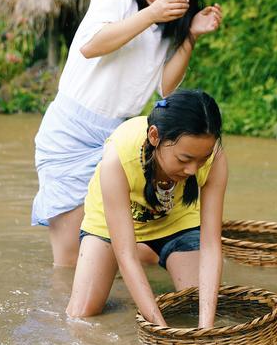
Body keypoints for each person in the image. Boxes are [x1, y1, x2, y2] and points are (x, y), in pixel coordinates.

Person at [31, 0, 223, 267]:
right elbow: (92, 45)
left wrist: (190, 35)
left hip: (118, 138)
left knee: (110, 241)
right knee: (69, 256)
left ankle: (148, 267)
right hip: (70, 132)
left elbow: (165, 87)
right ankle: (71, 315)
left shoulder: (170, 19)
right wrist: (152, 14)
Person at [66, 89, 227, 327]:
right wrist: (159, 327)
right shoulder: (119, 155)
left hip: (176, 218)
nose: (193, 170)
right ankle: (144, 249)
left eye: (200, 160)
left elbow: (212, 245)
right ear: (154, 136)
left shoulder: (214, 157)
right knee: (81, 315)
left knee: (196, 305)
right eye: (184, 159)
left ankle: (153, 251)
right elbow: (126, 256)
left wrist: (206, 328)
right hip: (114, 222)